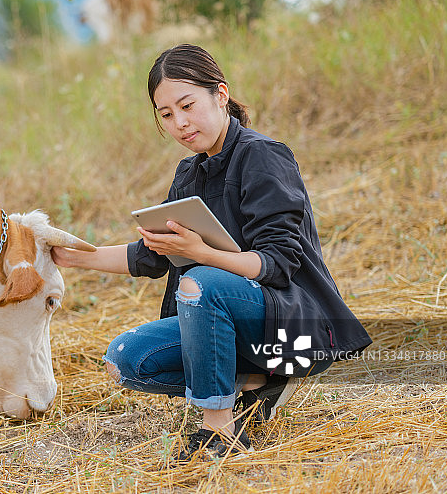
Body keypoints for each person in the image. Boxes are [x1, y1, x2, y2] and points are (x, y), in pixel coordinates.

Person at [51, 44, 372, 459]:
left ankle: (219, 429)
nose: (180, 123)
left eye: (187, 105)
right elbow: (152, 256)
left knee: (200, 282)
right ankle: (256, 383)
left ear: (221, 94)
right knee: (127, 359)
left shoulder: (262, 155)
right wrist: (72, 255)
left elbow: (276, 263)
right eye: (167, 115)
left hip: (295, 323)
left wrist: (200, 252)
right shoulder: (189, 172)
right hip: (234, 321)